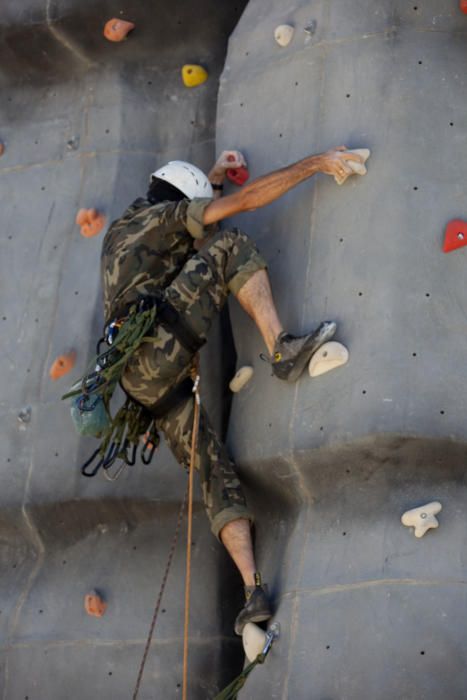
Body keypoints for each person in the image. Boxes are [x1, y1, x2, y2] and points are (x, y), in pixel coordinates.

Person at [100, 146, 363, 634]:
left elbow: (191, 230)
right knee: (231, 247)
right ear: (179, 200)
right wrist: (312, 164)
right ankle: (281, 349)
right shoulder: (166, 216)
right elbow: (230, 216)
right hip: (159, 351)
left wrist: (213, 179)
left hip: (140, 386)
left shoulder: (127, 227)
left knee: (212, 469)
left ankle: (252, 590)